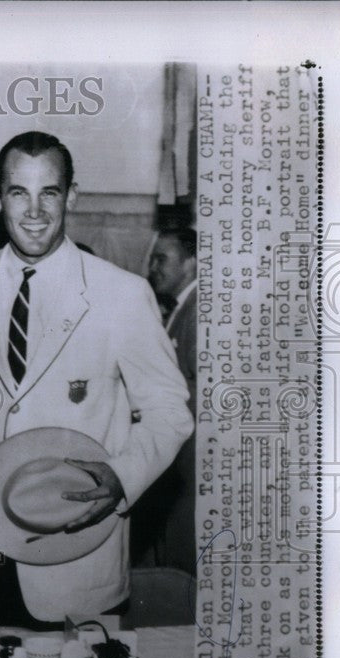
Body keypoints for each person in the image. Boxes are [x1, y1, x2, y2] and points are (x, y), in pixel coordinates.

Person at [0, 131, 194, 626]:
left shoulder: (121, 294)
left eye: (49, 192)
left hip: (77, 559)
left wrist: (123, 477)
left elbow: (169, 413)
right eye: (18, 192)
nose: (34, 211)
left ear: (71, 196)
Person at [137, 227, 198, 573]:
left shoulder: (199, 310)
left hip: (191, 464)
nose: (152, 268)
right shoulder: (177, 309)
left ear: (191, 263)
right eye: (151, 258)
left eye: (162, 259)